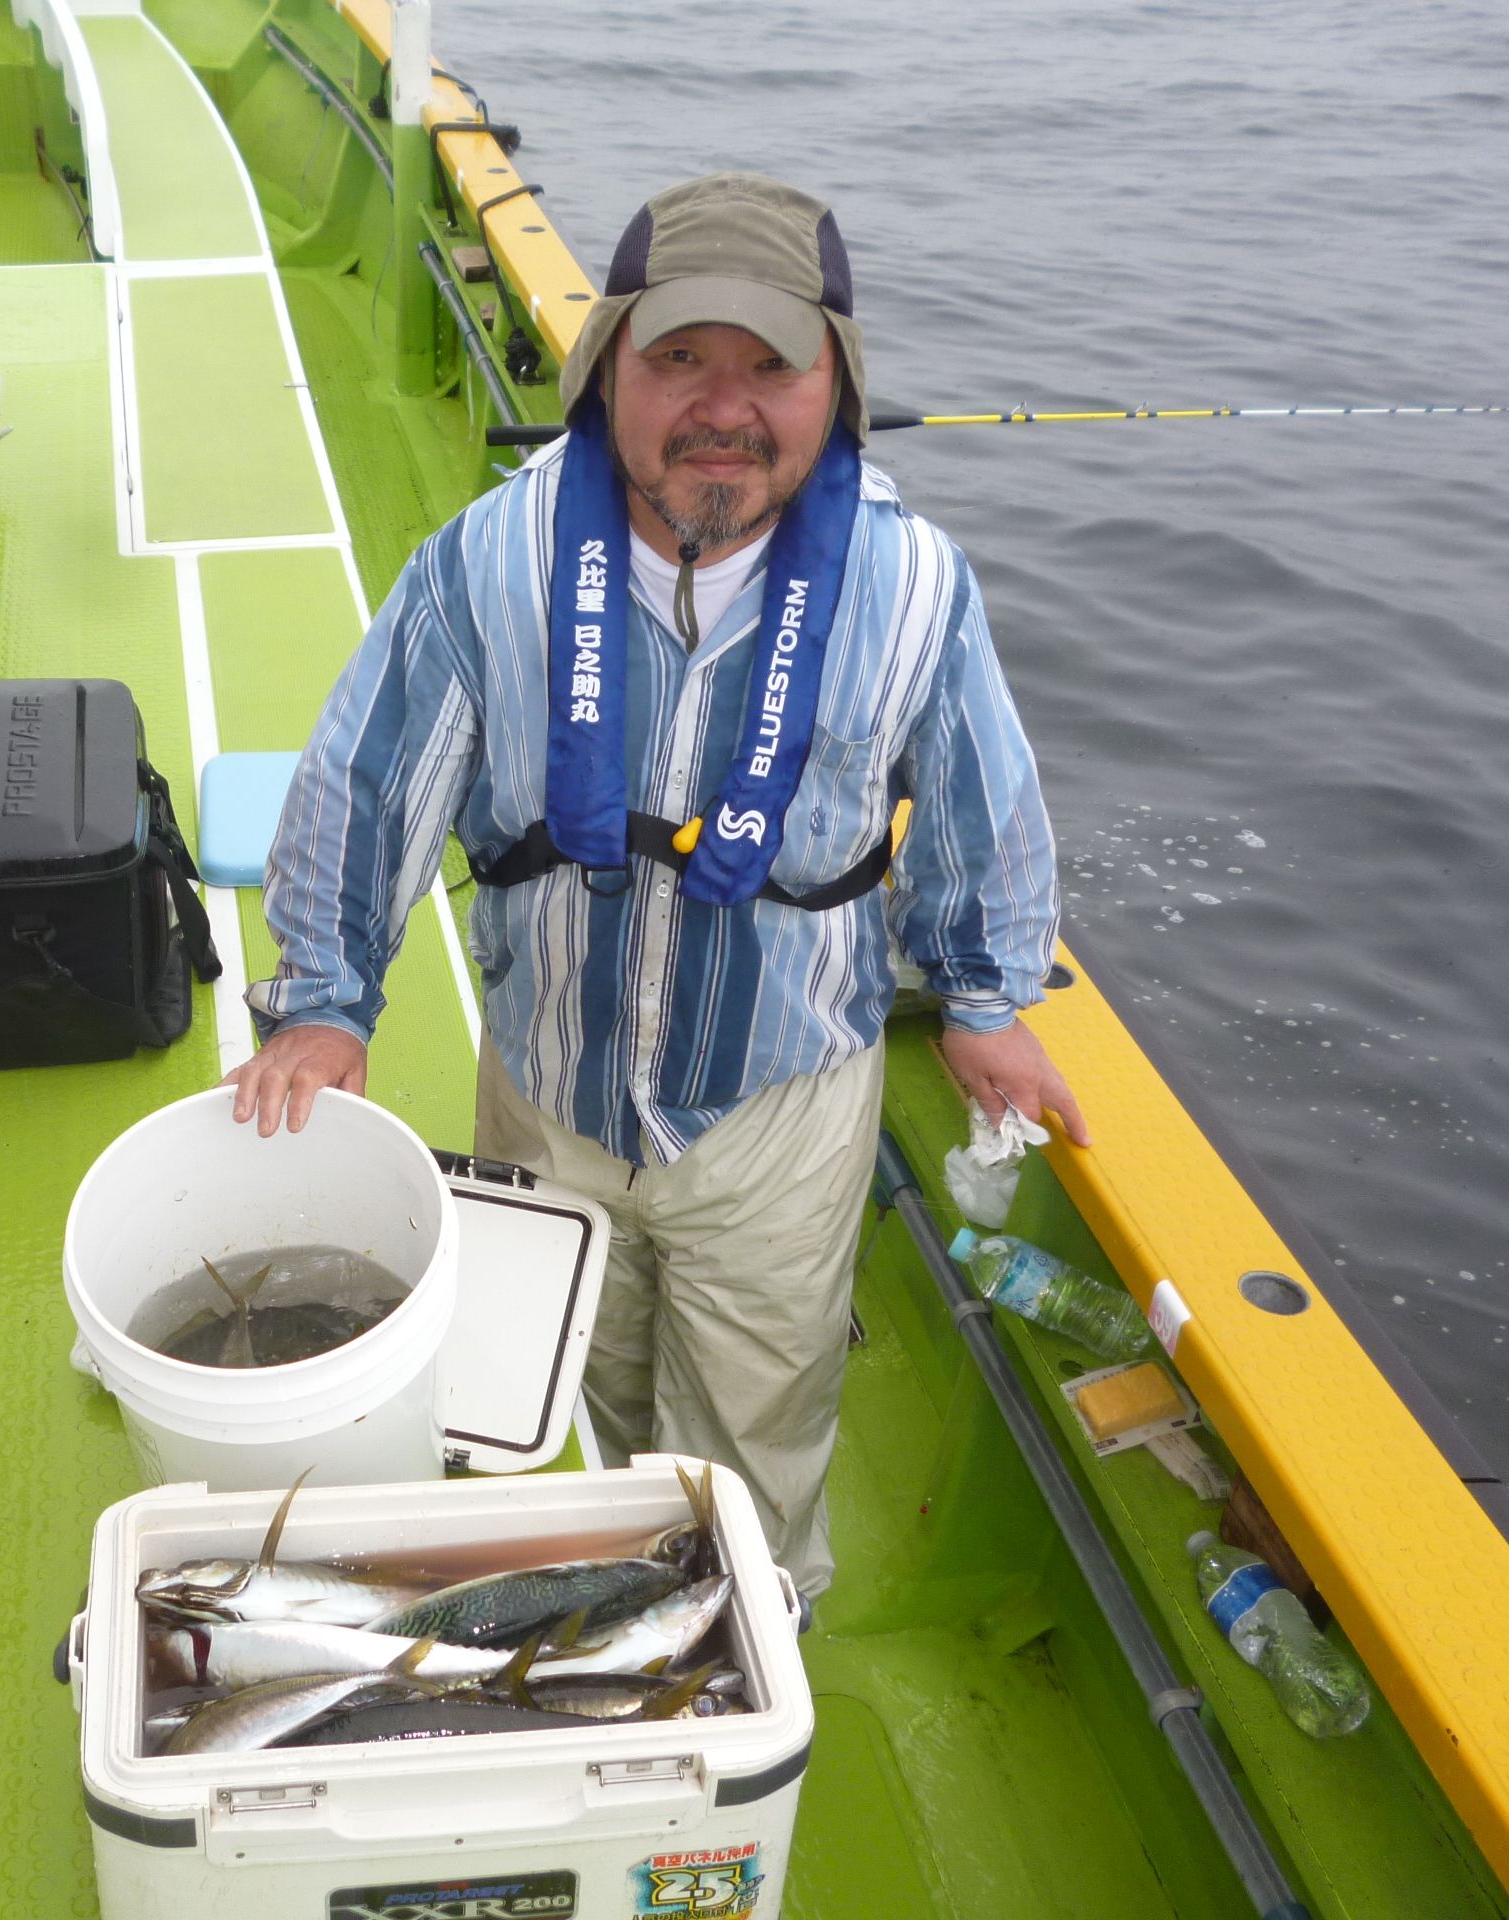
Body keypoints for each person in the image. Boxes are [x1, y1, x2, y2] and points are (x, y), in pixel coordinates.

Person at [225, 172, 1086, 1599]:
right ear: (605, 367)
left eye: (772, 367)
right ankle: (632, 1585)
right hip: (547, 1090)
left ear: (838, 386)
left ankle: (741, 1630)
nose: (722, 409)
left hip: (779, 1113)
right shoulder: (487, 561)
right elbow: (365, 781)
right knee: (594, 1385)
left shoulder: (916, 586)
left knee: (754, 1444)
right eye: (679, 357)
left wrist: (987, 1002)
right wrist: (325, 1000)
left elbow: (981, 807)